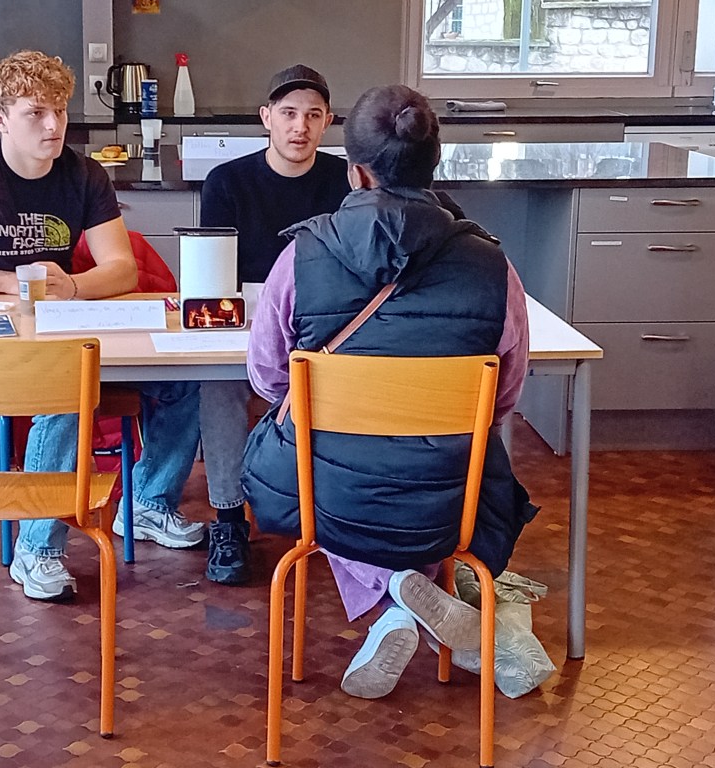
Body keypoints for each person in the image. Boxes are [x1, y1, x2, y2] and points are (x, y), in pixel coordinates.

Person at [241, 84, 539, 699]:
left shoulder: (301, 256)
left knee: (323, 472)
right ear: (434, 165)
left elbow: (268, 378)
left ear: (354, 171)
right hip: (451, 495)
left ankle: (394, 599)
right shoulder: (493, 265)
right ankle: (414, 594)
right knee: (431, 474)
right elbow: (504, 396)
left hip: (327, 492)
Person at [0, 49, 202, 602]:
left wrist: (73, 286)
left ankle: (149, 503)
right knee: (64, 388)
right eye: (35, 113)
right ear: (0, 119)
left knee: (184, 379)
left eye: (59, 110)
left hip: (55, 324)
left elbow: (122, 268)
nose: (54, 125)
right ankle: (36, 547)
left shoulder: (83, 174)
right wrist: (2, 280)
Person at [192, 64, 350, 585]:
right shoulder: (227, 182)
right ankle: (228, 516)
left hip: (326, 324)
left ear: (327, 122)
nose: (299, 127)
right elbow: (214, 274)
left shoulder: (346, 181)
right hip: (247, 321)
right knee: (219, 381)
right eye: (288, 114)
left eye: (312, 115)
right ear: (266, 118)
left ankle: (339, 512)